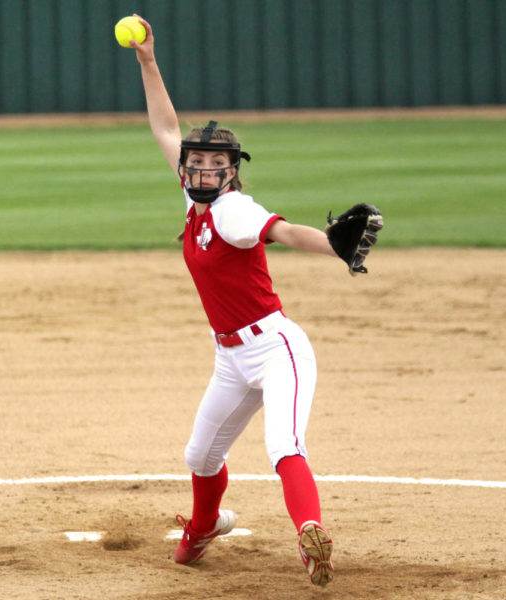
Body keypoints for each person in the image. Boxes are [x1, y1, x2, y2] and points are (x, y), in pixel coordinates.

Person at [127, 15, 379, 588]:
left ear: (231, 173)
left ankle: (310, 533)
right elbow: (166, 127)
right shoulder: (194, 195)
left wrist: (336, 247)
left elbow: (284, 232)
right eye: (196, 163)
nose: (201, 169)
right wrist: (147, 61)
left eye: (216, 166)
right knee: (199, 455)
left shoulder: (234, 209)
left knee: (283, 445)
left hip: (276, 348)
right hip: (230, 358)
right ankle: (205, 525)